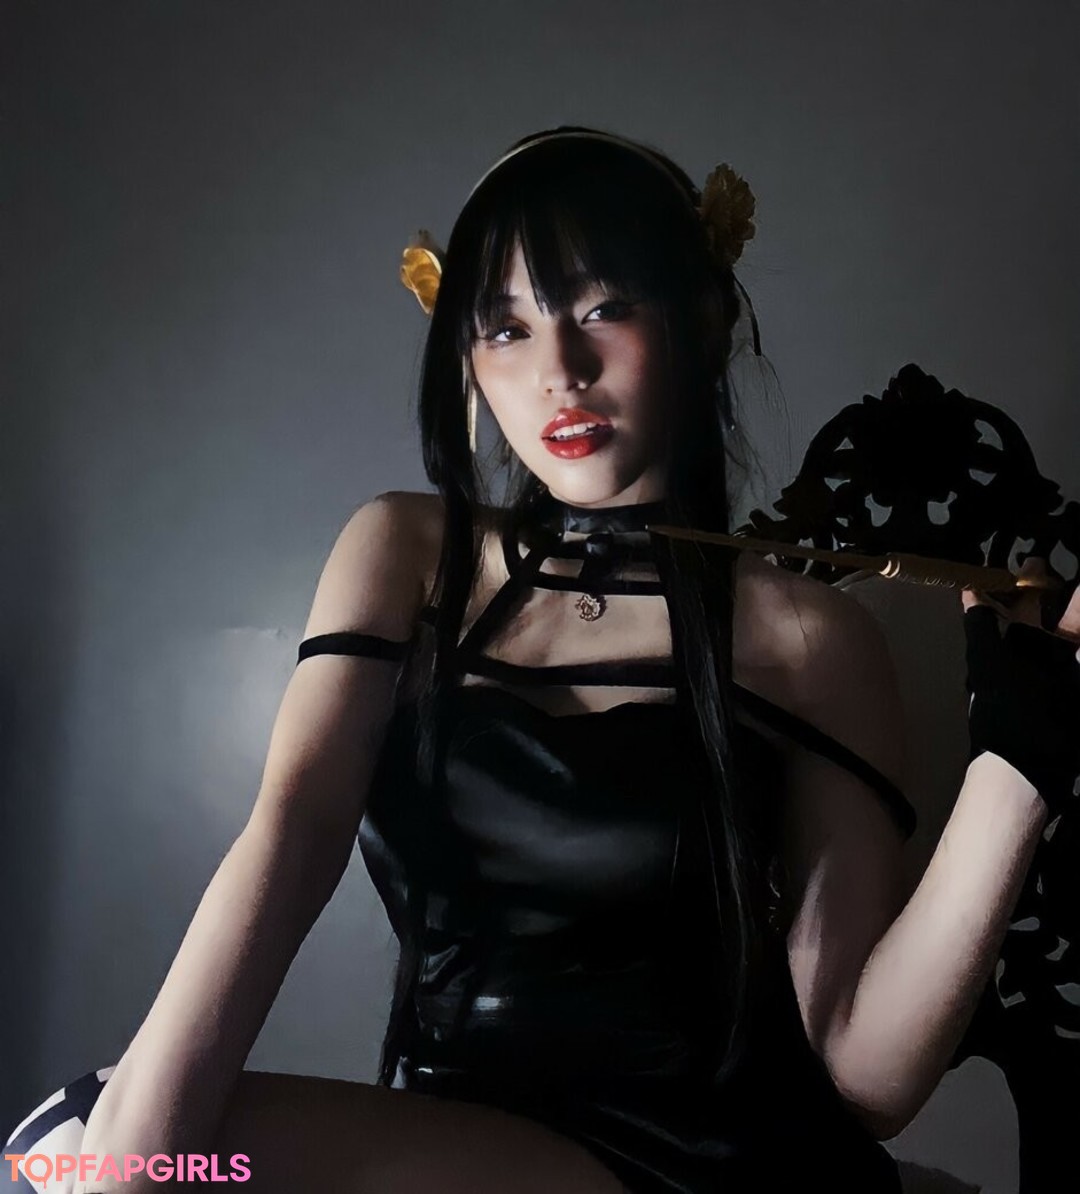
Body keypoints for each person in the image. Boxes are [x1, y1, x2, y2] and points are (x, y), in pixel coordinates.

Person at [11, 125, 1080, 1194]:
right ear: (469, 363)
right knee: (65, 1150)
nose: (558, 372)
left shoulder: (808, 638)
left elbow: (863, 1074)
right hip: (466, 1146)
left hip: (711, 1164)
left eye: (603, 309)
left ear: (703, 321)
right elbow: (293, 835)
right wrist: (130, 1169)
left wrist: (1018, 763)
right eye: (505, 328)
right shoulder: (404, 551)